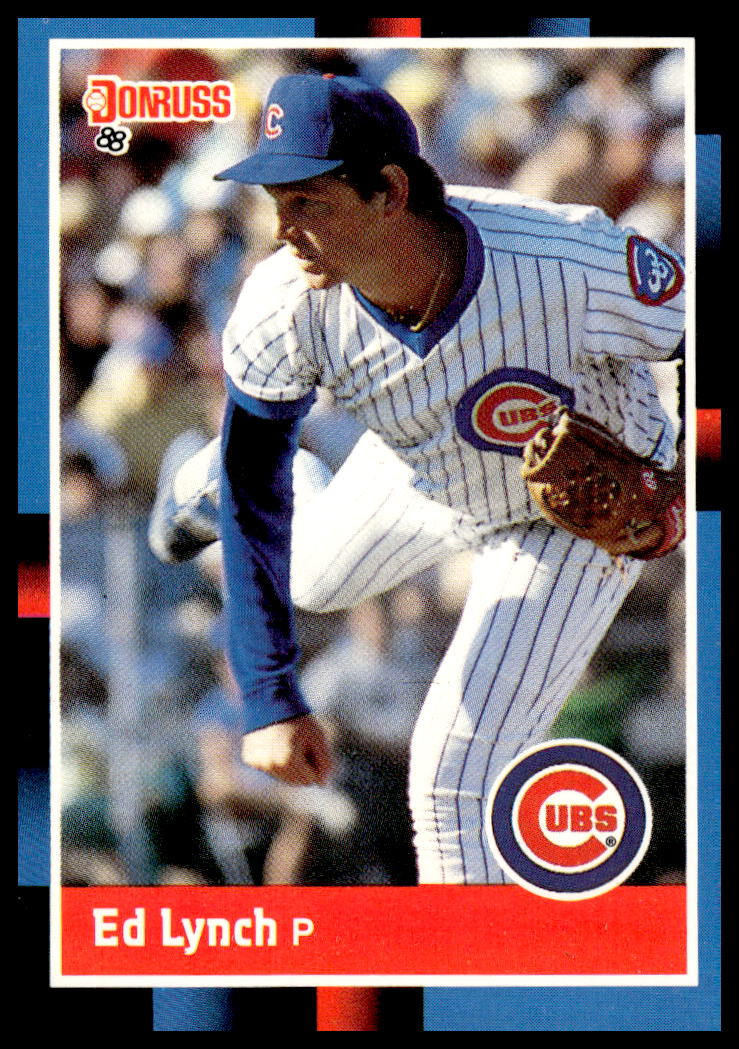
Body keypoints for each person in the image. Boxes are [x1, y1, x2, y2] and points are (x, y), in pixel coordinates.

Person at [149, 72, 685, 884]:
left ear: (391, 191)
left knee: (453, 773)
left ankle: (464, 963)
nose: (284, 229)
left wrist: (681, 473)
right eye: (276, 202)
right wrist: (268, 698)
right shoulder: (281, 303)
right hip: (423, 470)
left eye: (308, 201)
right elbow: (258, 499)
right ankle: (210, 472)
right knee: (310, 579)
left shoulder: (569, 258)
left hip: (574, 519)